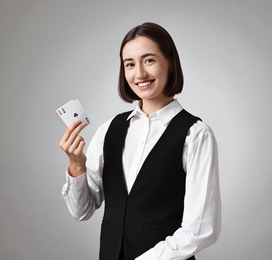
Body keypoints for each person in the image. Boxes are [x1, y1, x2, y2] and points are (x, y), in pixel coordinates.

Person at [59, 22, 221, 260]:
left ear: (170, 63)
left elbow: (202, 229)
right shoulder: (109, 130)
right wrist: (76, 167)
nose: (140, 74)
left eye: (149, 60)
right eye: (130, 64)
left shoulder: (195, 134)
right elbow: (81, 211)